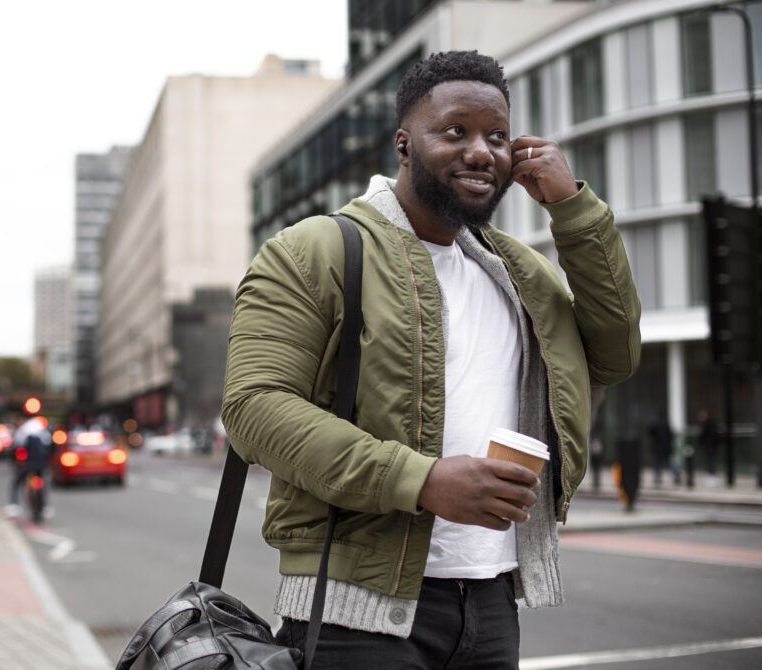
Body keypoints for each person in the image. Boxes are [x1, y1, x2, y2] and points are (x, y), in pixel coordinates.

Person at [222, 50, 641, 668]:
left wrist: (572, 208)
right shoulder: (316, 250)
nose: (481, 152)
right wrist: (422, 481)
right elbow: (254, 408)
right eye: (455, 131)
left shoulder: (518, 272)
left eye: (497, 136)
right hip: (350, 612)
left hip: (493, 605)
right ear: (404, 145)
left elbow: (615, 355)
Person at [7, 414, 52, 514]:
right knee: (42, 482)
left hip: (28, 463)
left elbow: (17, 444)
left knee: (17, 482)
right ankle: (44, 506)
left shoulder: (23, 429)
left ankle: (13, 504)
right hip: (40, 462)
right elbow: (48, 442)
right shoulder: (40, 426)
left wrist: (17, 461)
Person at [648, 409, 677, 487]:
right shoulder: (666, 424)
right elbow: (670, 436)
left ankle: (657, 478)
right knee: (668, 462)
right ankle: (675, 475)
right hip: (665, 448)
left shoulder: (655, 423)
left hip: (658, 448)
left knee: (658, 464)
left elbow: (650, 432)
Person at [697, 408, 719, 486]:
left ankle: (712, 478)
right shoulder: (708, 424)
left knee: (710, 461)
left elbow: (704, 435)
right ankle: (711, 477)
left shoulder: (709, 424)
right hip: (709, 445)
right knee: (709, 461)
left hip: (709, 446)